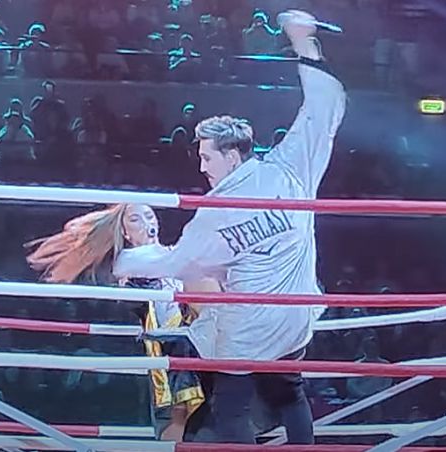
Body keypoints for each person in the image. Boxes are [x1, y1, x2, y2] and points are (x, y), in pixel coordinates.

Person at [113, 10, 347, 444]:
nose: (202, 167)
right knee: (290, 392)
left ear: (232, 156)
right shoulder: (290, 168)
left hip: (250, 330)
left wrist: (126, 259)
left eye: (207, 157)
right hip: (294, 321)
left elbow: (180, 263)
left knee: (231, 406)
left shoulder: (217, 211)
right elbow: (322, 112)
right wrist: (305, 46)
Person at [25, 204, 204, 441]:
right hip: (169, 356)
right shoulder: (129, 264)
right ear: (125, 233)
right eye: (136, 219)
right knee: (176, 418)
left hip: (198, 345)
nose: (147, 223)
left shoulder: (174, 255)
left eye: (149, 216)